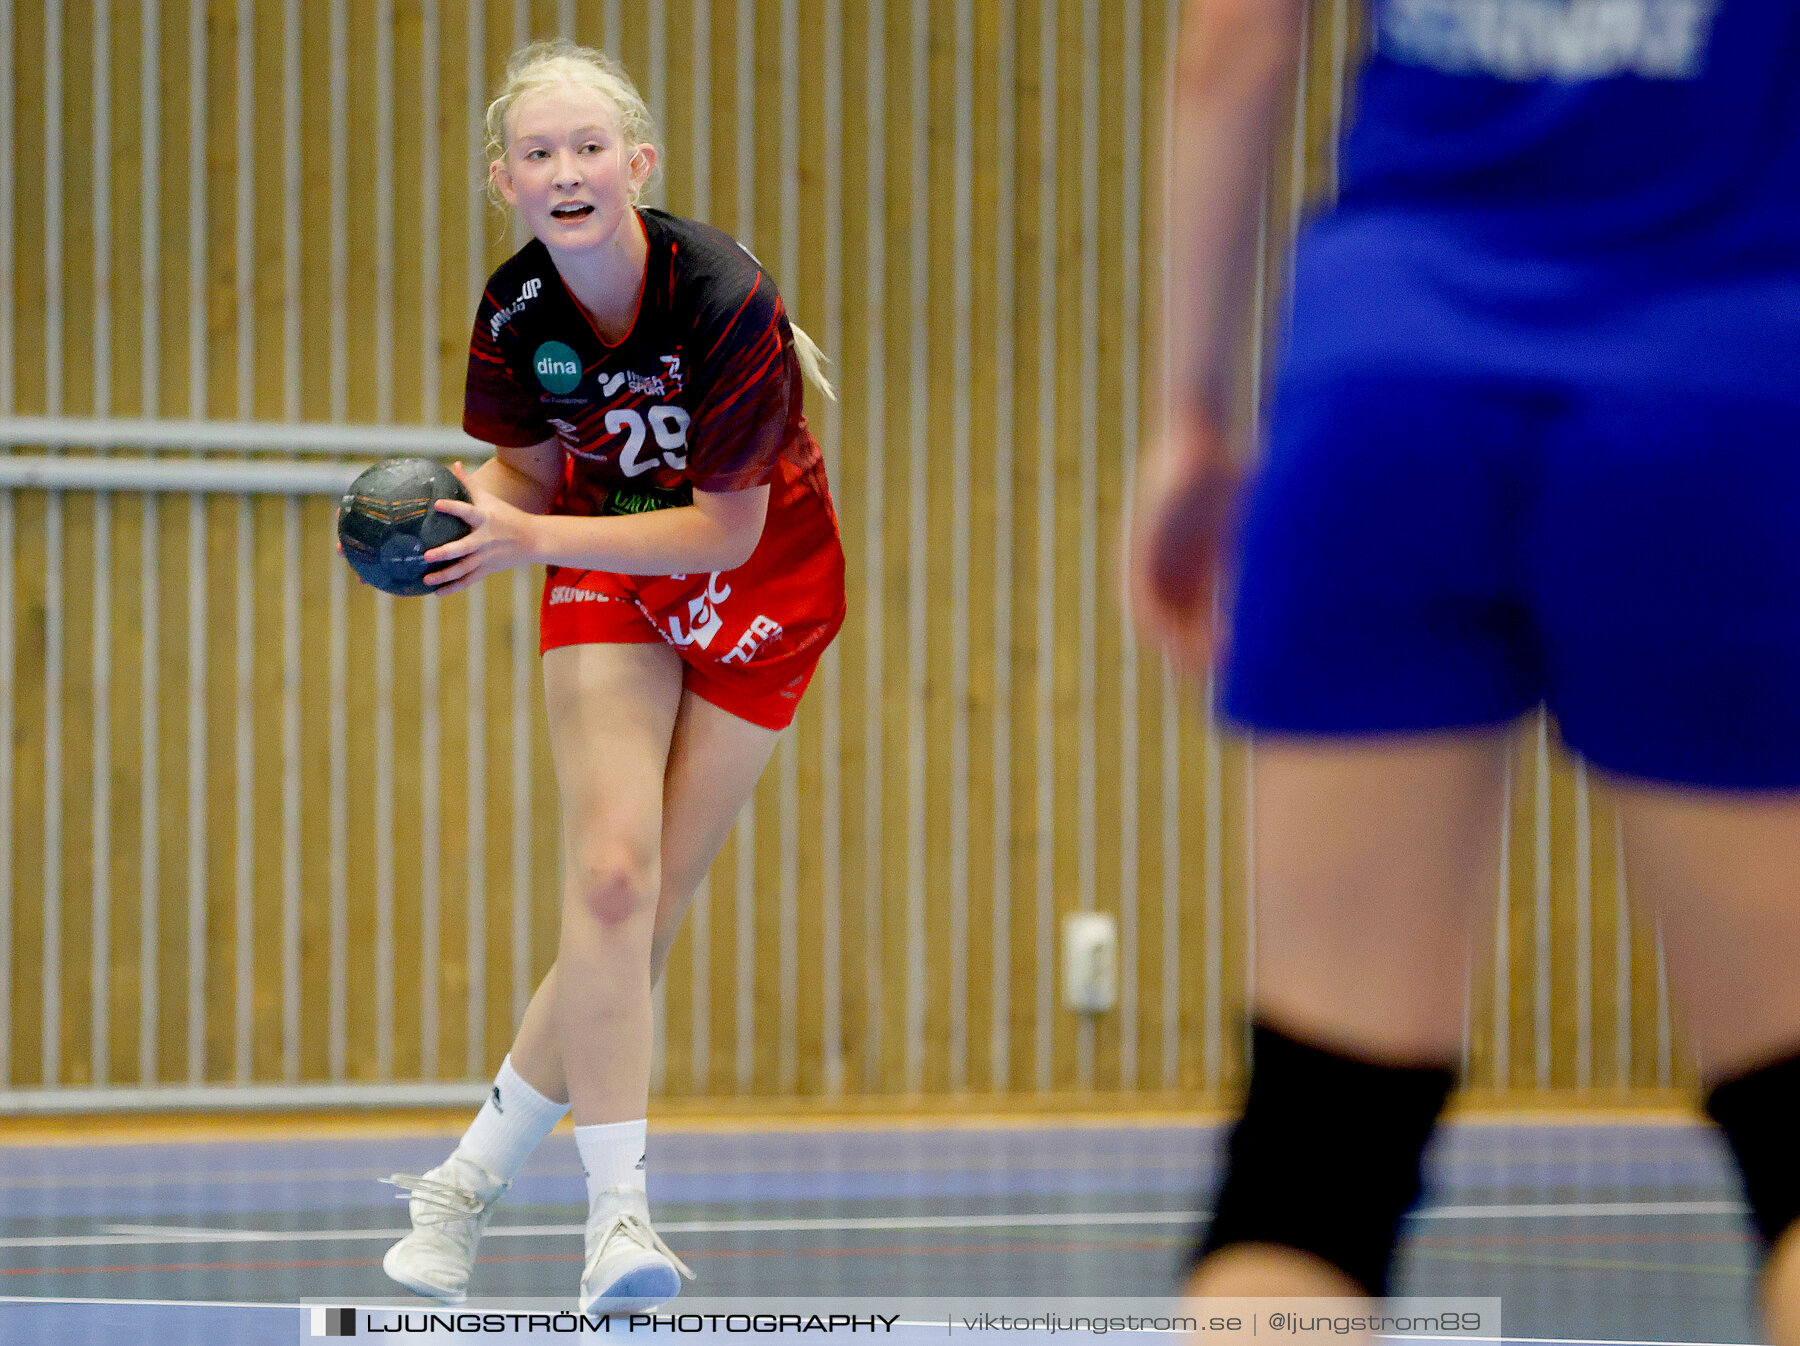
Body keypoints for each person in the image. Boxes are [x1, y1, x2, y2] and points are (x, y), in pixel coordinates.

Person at [1125, 0, 1800, 1338]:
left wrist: (1185, 415)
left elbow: (1231, 42)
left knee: (1311, 1165)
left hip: (1387, 381)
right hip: (1713, 384)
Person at [377, 39, 845, 1313]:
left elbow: (724, 531)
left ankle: (462, 1184)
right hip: (611, 576)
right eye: (539, 154)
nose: (566, 170)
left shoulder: (723, 295)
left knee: (646, 914)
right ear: (504, 182)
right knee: (611, 877)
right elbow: (526, 476)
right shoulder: (516, 314)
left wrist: (535, 533)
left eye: (590, 148)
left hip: (763, 581)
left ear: (638, 166)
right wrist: (466, 516)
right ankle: (617, 1220)